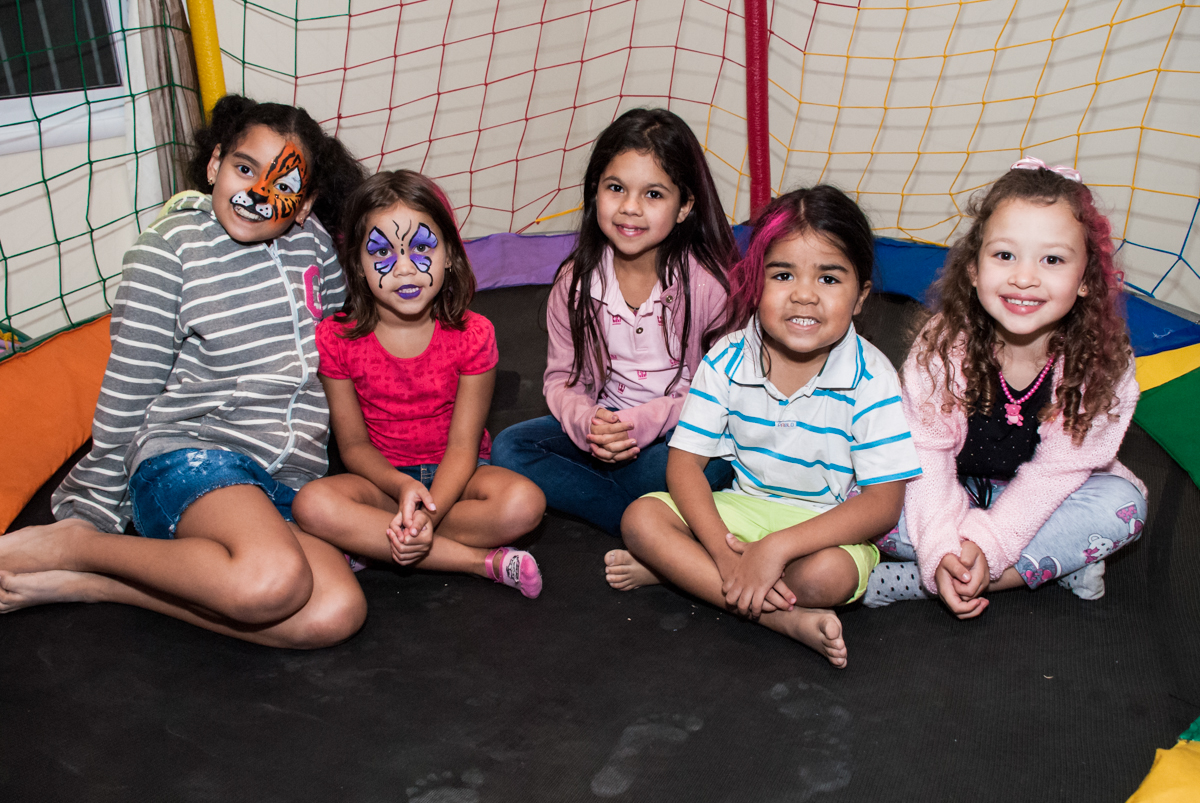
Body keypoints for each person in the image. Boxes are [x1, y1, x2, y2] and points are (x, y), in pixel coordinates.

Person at [0, 95, 370, 647]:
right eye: (244, 168)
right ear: (215, 163)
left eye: (283, 187)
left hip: (286, 479)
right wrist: (93, 510)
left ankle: (99, 584)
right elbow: (129, 391)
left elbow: (347, 348)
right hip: (193, 456)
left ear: (305, 204)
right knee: (271, 580)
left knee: (333, 613)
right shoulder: (169, 250)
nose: (256, 194)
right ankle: (78, 548)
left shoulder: (313, 248)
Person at [616, 186, 922, 668]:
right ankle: (781, 617)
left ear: (861, 296)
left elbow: (883, 505)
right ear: (757, 282)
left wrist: (777, 548)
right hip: (745, 510)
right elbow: (684, 467)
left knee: (827, 578)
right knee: (641, 519)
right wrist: (726, 557)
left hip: (821, 526)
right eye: (783, 275)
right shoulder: (728, 357)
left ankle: (685, 572)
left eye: (829, 278)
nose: (804, 294)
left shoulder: (872, 377)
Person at [864, 158, 1147, 617]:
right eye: (1004, 255)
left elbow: (1057, 473)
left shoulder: (1101, 363)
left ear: (1086, 280)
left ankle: (931, 581)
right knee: (862, 493)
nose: (1024, 277)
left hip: (1050, 501)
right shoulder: (943, 345)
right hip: (952, 488)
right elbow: (927, 455)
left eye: (1052, 260)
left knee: (1123, 507)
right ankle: (1050, 562)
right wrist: (939, 545)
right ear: (974, 269)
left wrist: (989, 544)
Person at [290, 171, 546, 597]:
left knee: (525, 504)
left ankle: (376, 542)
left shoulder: (473, 334)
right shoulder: (336, 337)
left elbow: (463, 447)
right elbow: (353, 446)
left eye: (422, 247)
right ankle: (479, 562)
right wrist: (402, 487)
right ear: (358, 264)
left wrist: (429, 514)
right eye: (382, 253)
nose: (405, 269)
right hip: (383, 485)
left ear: (449, 255)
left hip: (458, 480)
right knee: (312, 505)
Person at [490, 108, 738, 546]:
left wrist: (645, 422)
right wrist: (588, 422)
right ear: (595, 191)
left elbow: (722, 394)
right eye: (616, 188)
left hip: (679, 435)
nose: (630, 208)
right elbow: (562, 378)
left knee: (707, 466)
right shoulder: (576, 282)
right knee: (510, 448)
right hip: (606, 428)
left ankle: (647, 521)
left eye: (654, 194)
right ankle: (645, 527)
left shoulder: (709, 286)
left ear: (685, 206)